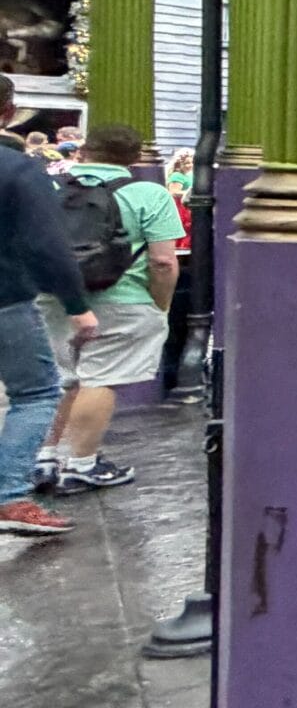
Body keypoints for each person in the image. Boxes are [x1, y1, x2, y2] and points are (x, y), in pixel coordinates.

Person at [34, 123, 184, 492]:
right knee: (99, 378)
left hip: (54, 295)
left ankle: (43, 459)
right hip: (122, 298)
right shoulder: (149, 193)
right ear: (134, 158)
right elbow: (163, 261)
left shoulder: (50, 185)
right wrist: (160, 303)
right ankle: (80, 464)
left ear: (85, 150)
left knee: (60, 377)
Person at [0, 77, 93, 536]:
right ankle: (8, 495)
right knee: (36, 393)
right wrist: (76, 304)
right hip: (5, 299)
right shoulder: (17, 170)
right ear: (7, 113)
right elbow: (46, 245)